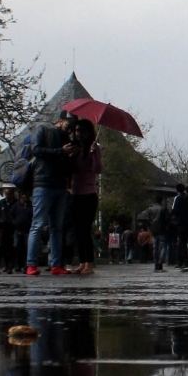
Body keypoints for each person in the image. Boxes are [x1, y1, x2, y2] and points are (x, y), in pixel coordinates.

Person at [24, 113, 72, 275]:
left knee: (57, 228)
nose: (69, 128)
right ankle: (31, 263)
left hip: (59, 185)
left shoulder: (67, 139)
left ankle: (56, 264)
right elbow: (36, 150)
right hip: (43, 183)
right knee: (38, 224)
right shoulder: (44, 130)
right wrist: (60, 151)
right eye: (68, 125)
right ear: (60, 121)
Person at [67, 115, 102, 274]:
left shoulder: (94, 148)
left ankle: (89, 263)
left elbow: (98, 169)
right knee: (77, 230)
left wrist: (94, 154)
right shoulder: (73, 148)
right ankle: (81, 261)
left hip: (88, 194)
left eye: (82, 131)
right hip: (74, 193)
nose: (79, 134)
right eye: (76, 130)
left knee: (85, 228)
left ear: (89, 132)